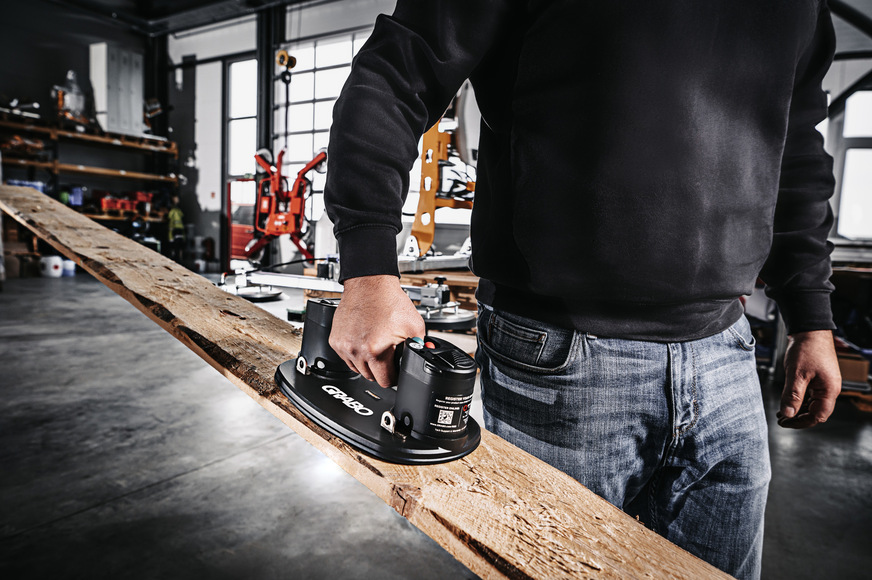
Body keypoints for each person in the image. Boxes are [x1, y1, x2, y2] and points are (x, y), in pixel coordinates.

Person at [322, 2, 843, 578]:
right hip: (563, 358)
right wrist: (368, 269)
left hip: (727, 353)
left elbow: (795, 150)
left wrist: (811, 318)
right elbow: (397, 75)